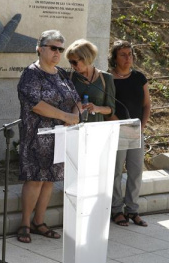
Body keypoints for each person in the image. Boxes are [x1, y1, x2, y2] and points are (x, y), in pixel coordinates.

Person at [16, 30, 81, 243]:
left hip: (60, 136)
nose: (57, 52)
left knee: (50, 181)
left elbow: (76, 98)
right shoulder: (31, 74)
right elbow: (37, 105)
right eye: (53, 48)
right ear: (40, 47)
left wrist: (75, 114)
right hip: (37, 137)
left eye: (60, 49)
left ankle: (39, 221)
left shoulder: (61, 73)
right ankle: (25, 223)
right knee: (35, 179)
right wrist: (66, 116)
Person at [108, 40, 151, 227]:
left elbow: (147, 104)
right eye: (123, 54)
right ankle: (116, 210)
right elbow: (107, 106)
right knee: (116, 172)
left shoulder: (140, 77)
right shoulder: (109, 78)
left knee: (135, 172)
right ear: (115, 58)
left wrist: (142, 126)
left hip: (136, 130)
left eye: (130, 54)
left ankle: (132, 210)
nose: (128, 58)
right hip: (116, 130)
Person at [65, 39, 116, 122]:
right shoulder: (68, 76)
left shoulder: (106, 78)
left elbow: (111, 109)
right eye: (70, 62)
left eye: (74, 62)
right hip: (73, 128)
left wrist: (96, 108)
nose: (72, 66)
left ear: (86, 59)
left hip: (96, 129)